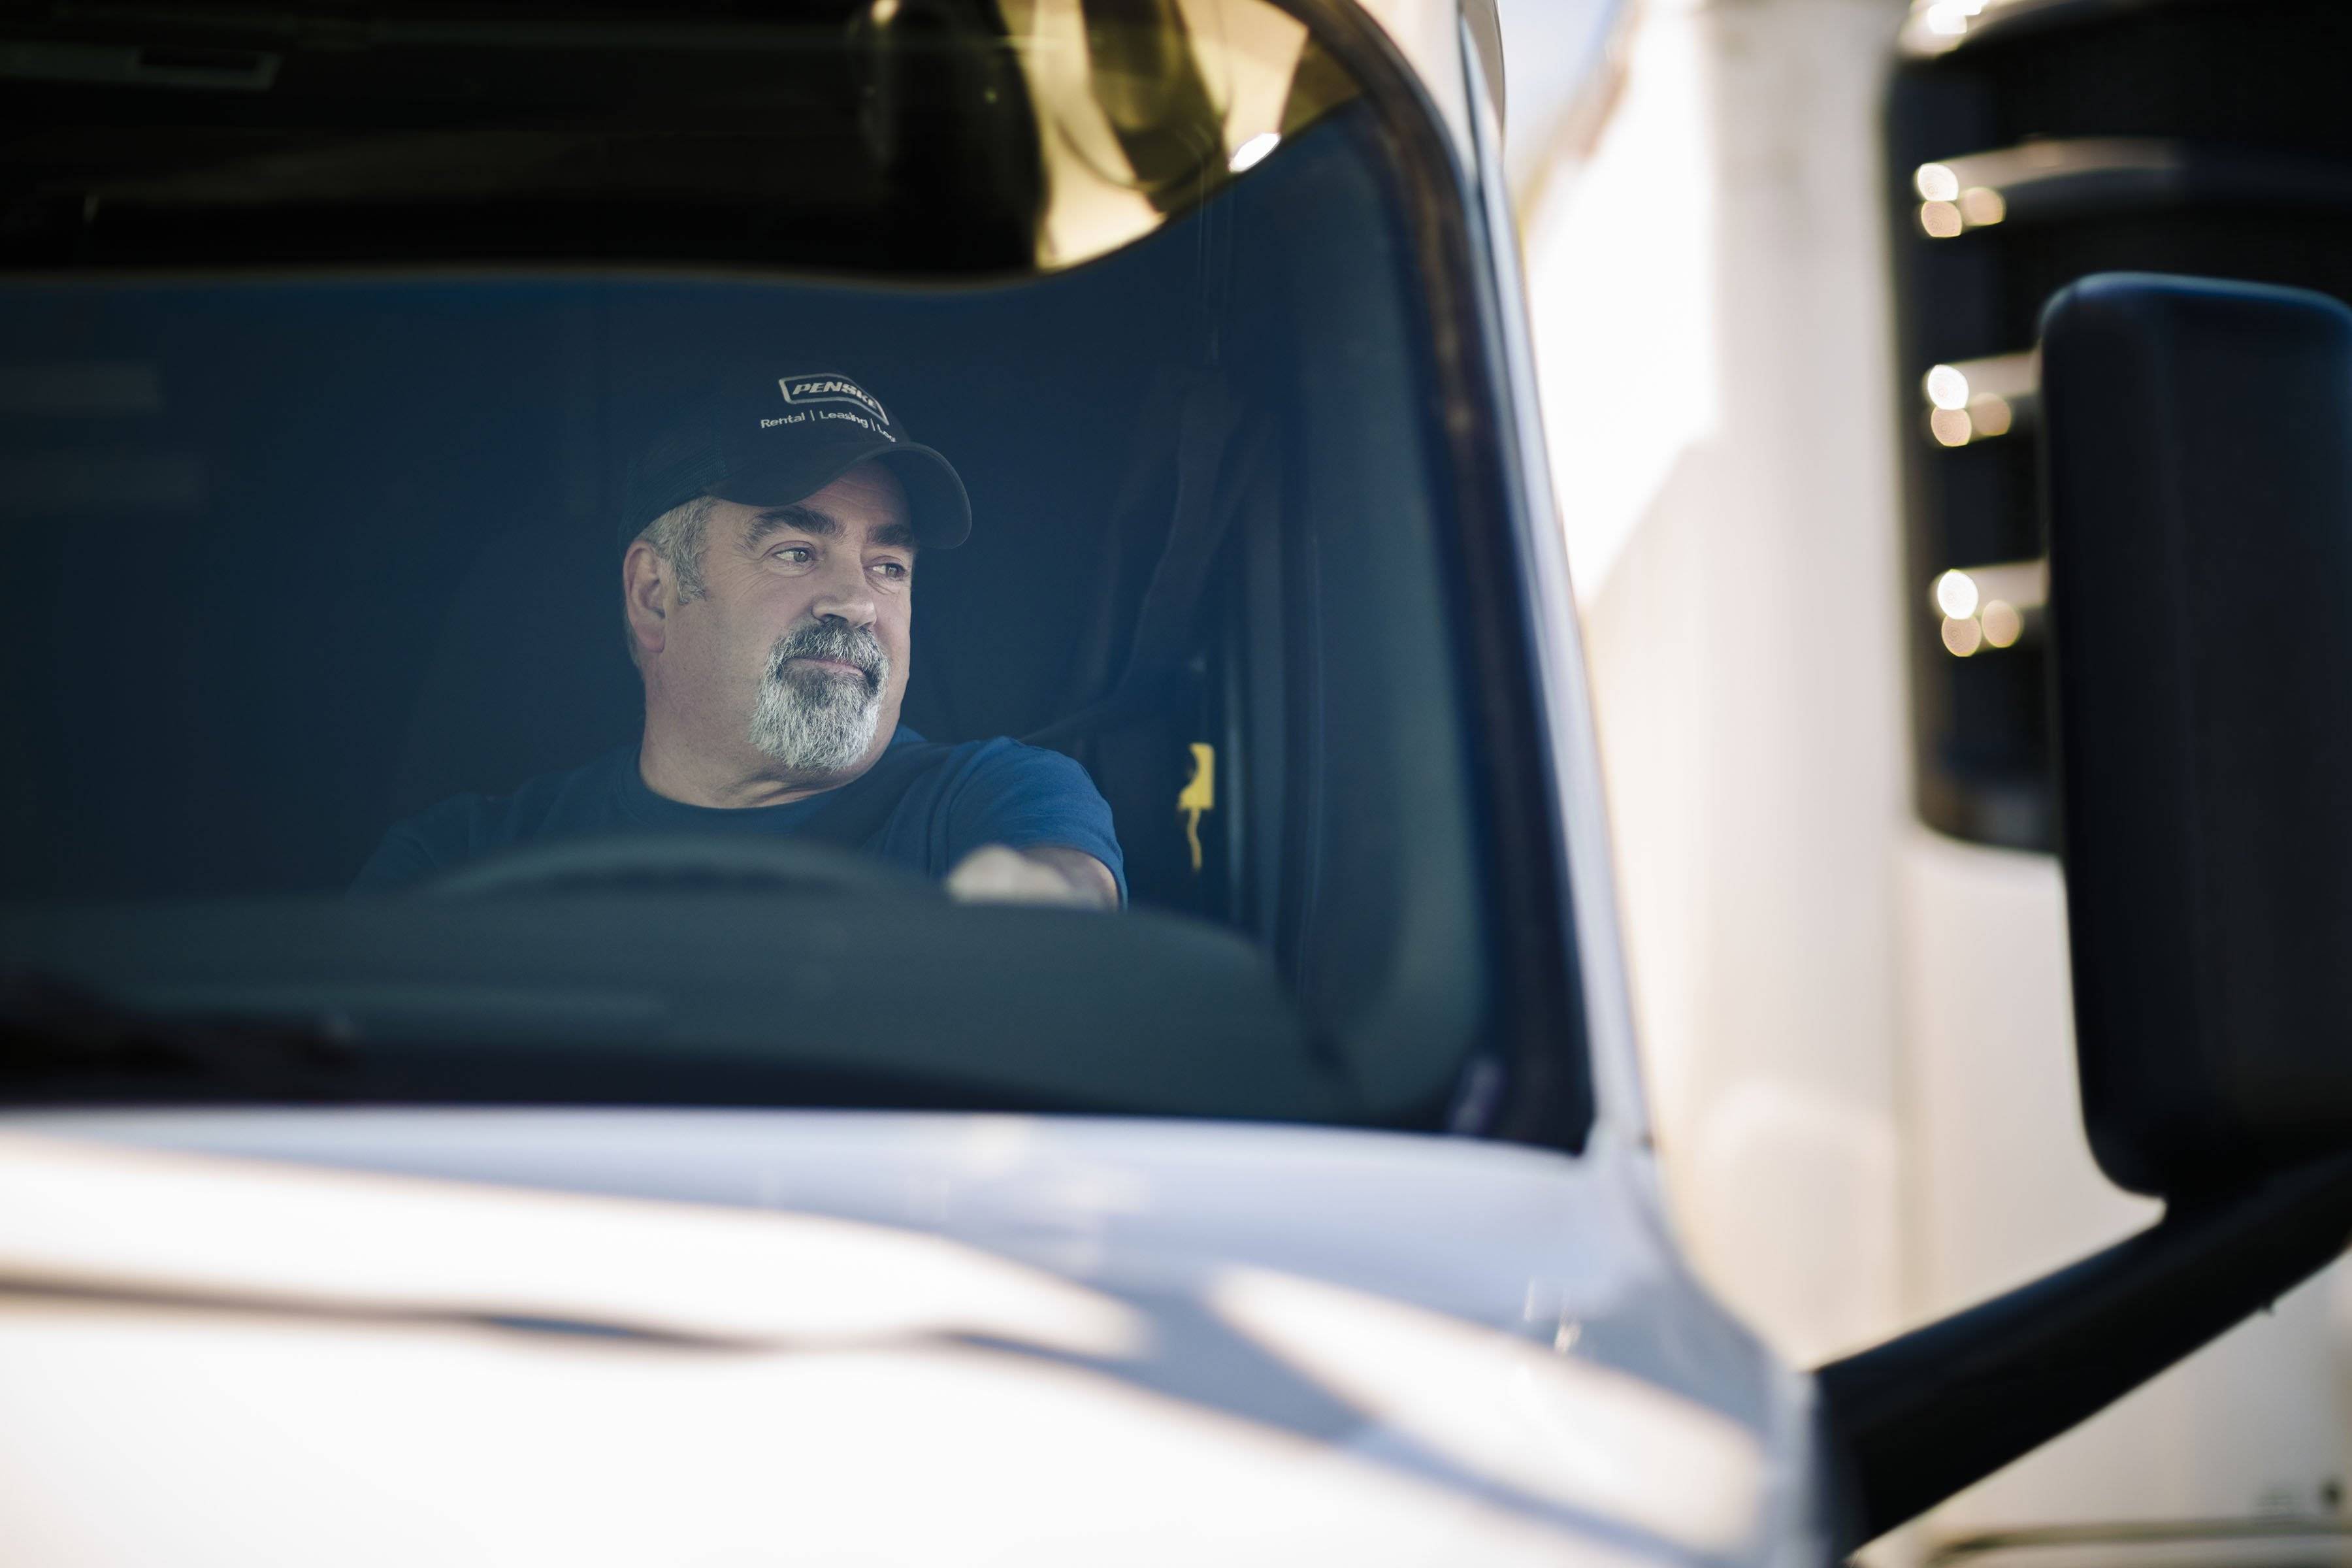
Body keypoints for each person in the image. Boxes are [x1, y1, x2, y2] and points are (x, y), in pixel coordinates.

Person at [354, 368, 1124, 907]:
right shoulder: (462, 861)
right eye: (795, 552)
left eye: (888, 566)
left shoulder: (992, 800)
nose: (857, 602)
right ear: (654, 594)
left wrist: (1039, 912)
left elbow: (1065, 895)